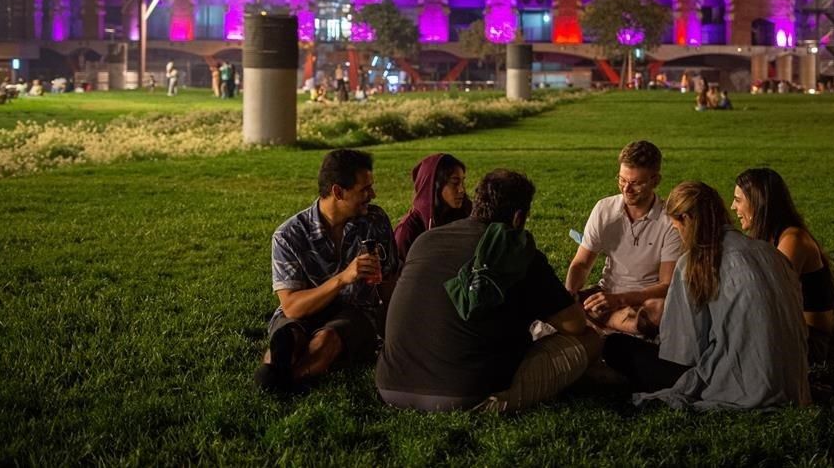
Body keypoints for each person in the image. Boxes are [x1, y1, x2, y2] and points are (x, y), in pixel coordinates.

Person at [376, 170, 600, 412]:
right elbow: (574, 325)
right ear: (518, 217)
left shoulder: (426, 240)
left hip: (390, 385)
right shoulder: (518, 252)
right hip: (464, 396)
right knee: (591, 338)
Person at [605, 181, 810, 409]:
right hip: (794, 382)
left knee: (616, 347)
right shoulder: (770, 251)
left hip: (740, 384)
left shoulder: (695, 262)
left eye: (676, 228)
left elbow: (684, 351)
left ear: (685, 220)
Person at [254, 149, 399, 393]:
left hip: (354, 312)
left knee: (327, 340)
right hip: (304, 311)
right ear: (338, 192)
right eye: (364, 189)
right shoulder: (289, 235)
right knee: (290, 337)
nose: (372, 195)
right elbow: (292, 307)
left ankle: (279, 383)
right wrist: (343, 278)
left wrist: (396, 331)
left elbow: (389, 282)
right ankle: (281, 362)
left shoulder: (374, 221)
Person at [565, 141, 681, 336]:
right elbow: (582, 263)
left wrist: (620, 300)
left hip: (644, 300)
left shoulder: (669, 221)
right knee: (557, 302)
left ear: (655, 180)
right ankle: (613, 321)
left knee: (658, 311)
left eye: (635, 183)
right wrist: (569, 295)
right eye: (622, 180)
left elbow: (666, 285)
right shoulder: (604, 209)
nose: (626, 189)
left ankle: (601, 321)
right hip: (606, 294)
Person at [731, 168, 834, 364]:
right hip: (786, 330)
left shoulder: (792, 240)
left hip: (810, 340)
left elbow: (768, 295)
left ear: (757, 201)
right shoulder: (767, 236)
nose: (732, 207)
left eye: (738, 200)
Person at [393, 153, 470, 264]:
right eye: (455, 182)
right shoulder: (407, 231)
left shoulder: (464, 217)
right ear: (434, 185)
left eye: (462, 182)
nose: (461, 189)